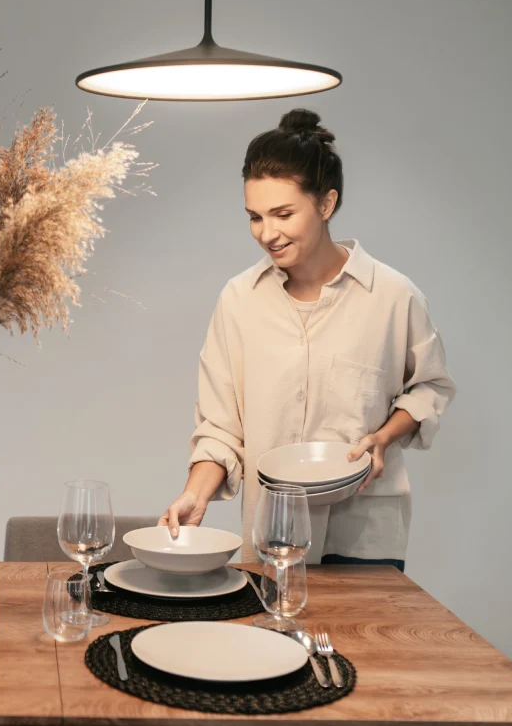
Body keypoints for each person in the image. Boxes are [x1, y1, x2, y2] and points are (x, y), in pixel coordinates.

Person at [158, 109, 456, 570]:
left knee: (365, 645)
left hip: (365, 535)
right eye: (254, 216)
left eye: (283, 213)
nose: (267, 233)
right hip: (272, 534)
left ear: (325, 203)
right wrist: (194, 495)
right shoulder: (239, 300)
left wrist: (383, 436)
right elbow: (220, 426)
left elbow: (429, 387)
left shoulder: (393, 297)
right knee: (273, 642)